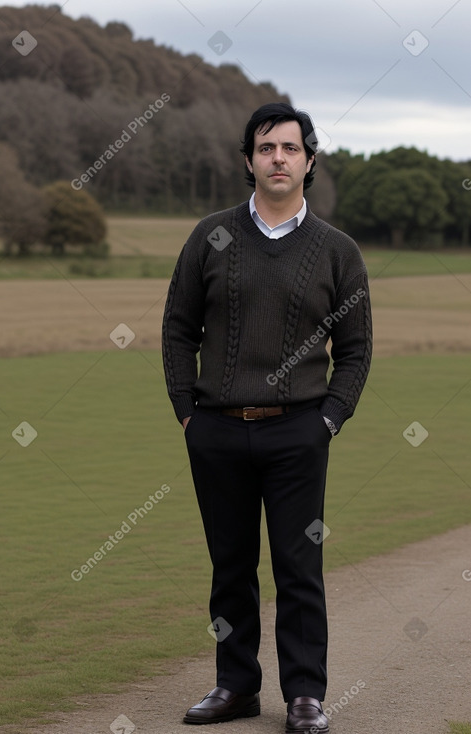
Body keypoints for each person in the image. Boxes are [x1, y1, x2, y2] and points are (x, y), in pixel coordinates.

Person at [161, 102, 372, 734]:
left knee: (298, 566)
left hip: (298, 431)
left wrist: (328, 420)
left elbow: (356, 351)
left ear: (309, 161)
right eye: (265, 148)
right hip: (217, 430)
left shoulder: (338, 251)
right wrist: (187, 415)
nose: (277, 158)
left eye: (290, 148)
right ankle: (235, 685)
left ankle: (305, 695)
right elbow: (177, 329)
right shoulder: (211, 236)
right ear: (248, 160)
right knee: (229, 566)